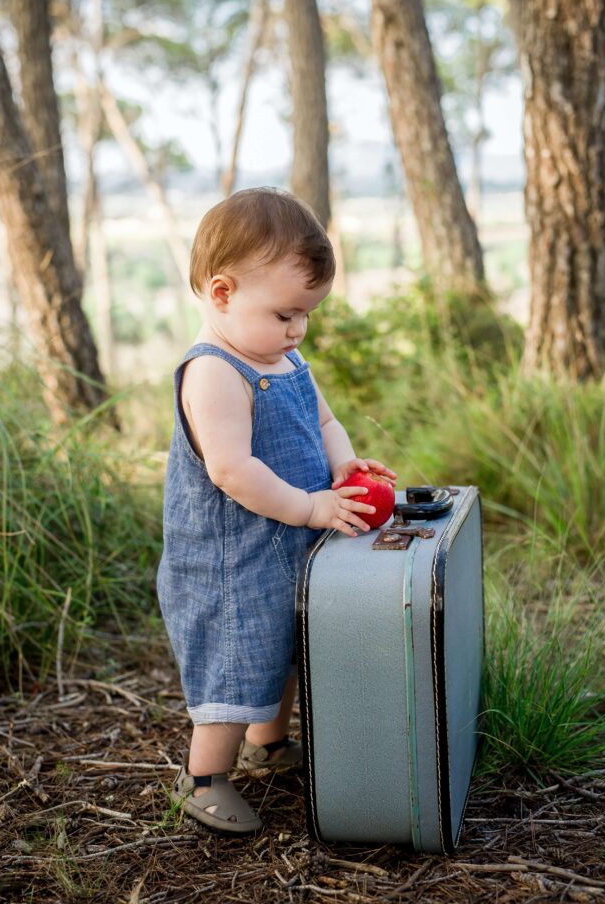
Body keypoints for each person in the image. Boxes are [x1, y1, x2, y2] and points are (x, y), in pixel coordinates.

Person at [157, 187, 396, 834]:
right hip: (229, 563)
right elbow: (231, 470)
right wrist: (311, 507)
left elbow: (322, 419)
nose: (297, 329)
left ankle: (268, 743)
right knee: (239, 659)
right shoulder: (213, 373)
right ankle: (203, 776)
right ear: (222, 292)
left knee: (284, 647)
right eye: (285, 313)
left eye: (306, 315)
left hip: (286, 544)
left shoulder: (282, 356)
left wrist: (342, 464)